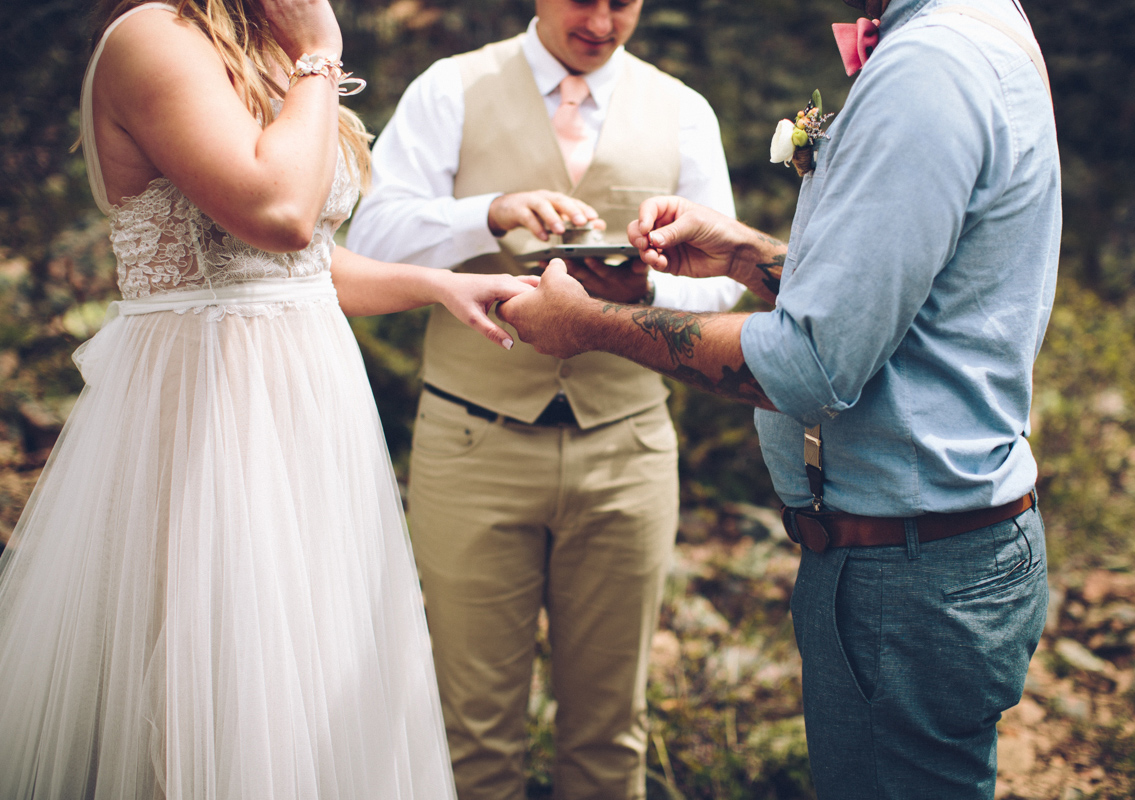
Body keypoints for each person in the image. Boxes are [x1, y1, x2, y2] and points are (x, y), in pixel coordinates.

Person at [498, 0, 1060, 797]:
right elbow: (907, 294)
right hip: (931, 547)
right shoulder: (981, 25)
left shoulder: (927, 68)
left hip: (907, 575)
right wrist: (746, 256)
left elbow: (808, 366)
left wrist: (592, 324)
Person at [0, 1, 536, 797]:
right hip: (210, 408)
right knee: (204, 685)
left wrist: (438, 284)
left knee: (311, 681)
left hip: (308, 410)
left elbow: (300, 264)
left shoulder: (258, 43)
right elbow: (277, 212)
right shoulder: (154, 36)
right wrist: (320, 53)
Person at [346, 1, 743, 796]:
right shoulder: (449, 89)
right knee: (473, 734)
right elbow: (369, 240)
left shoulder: (683, 110)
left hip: (627, 452)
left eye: (622, 3)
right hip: (471, 446)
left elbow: (728, 281)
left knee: (610, 737)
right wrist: (483, 213)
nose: (601, 20)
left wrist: (648, 287)